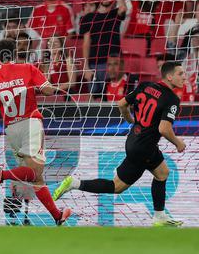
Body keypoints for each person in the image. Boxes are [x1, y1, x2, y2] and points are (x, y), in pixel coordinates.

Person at [53, 60, 187, 227]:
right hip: (144, 147)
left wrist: (130, 119)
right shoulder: (171, 98)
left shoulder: (145, 86)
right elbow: (164, 128)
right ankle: (74, 183)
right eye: (180, 74)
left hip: (134, 140)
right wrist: (177, 143)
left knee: (162, 173)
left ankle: (159, 216)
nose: (184, 77)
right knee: (118, 186)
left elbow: (121, 104)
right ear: (169, 76)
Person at [0, 37, 73, 227]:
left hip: (11, 129)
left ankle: (57, 215)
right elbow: (47, 91)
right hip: (30, 122)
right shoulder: (28, 69)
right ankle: (1, 175)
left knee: (36, 177)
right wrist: (52, 85)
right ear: (14, 53)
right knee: (34, 171)